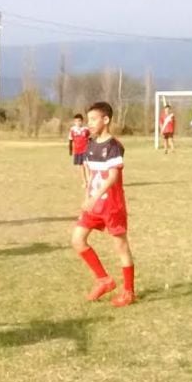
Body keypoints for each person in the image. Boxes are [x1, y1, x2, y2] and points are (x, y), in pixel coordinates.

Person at [71, 102, 136, 307]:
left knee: (121, 246)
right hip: (94, 205)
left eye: (93, 119)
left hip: (112, 205)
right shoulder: (90, 144)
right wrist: (87, 194)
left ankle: (129, 292)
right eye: (88, 120)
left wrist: (95, 196)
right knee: (77, 240)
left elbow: (113, 177)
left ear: (105, 120)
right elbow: (91, 173)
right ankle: (104, 280)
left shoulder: (113, 146)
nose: (89, 124)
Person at [68, 114, 91, 188]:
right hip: (77, 150)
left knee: (86, 165)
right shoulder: (72, 130)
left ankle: (89, 181)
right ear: (74, 122)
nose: (78, 122)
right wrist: (70, 150)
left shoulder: (86, 129)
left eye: (79, 121)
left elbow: (90, 139)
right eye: (76, 121)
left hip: (85, 150)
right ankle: (84, 182)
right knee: (81, 166)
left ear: (82, 121)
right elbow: (70, 140)